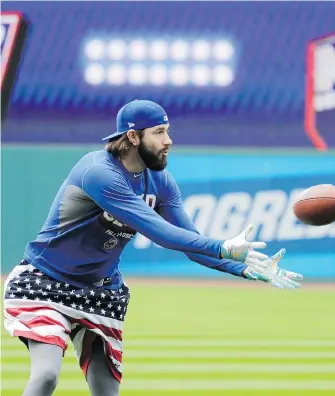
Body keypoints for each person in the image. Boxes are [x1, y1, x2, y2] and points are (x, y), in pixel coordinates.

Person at [3, 99, 303, 396]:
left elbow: (190, 243)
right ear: (133, 137)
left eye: (167, 131)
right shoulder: (98, 172)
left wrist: (244, 268)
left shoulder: (160, 181)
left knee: (106, 390)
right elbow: (160, 232)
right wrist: (223, 246)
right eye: (159, 132)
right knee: (45, 376)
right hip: (45, 283)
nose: (168, 140)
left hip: (101, 291)